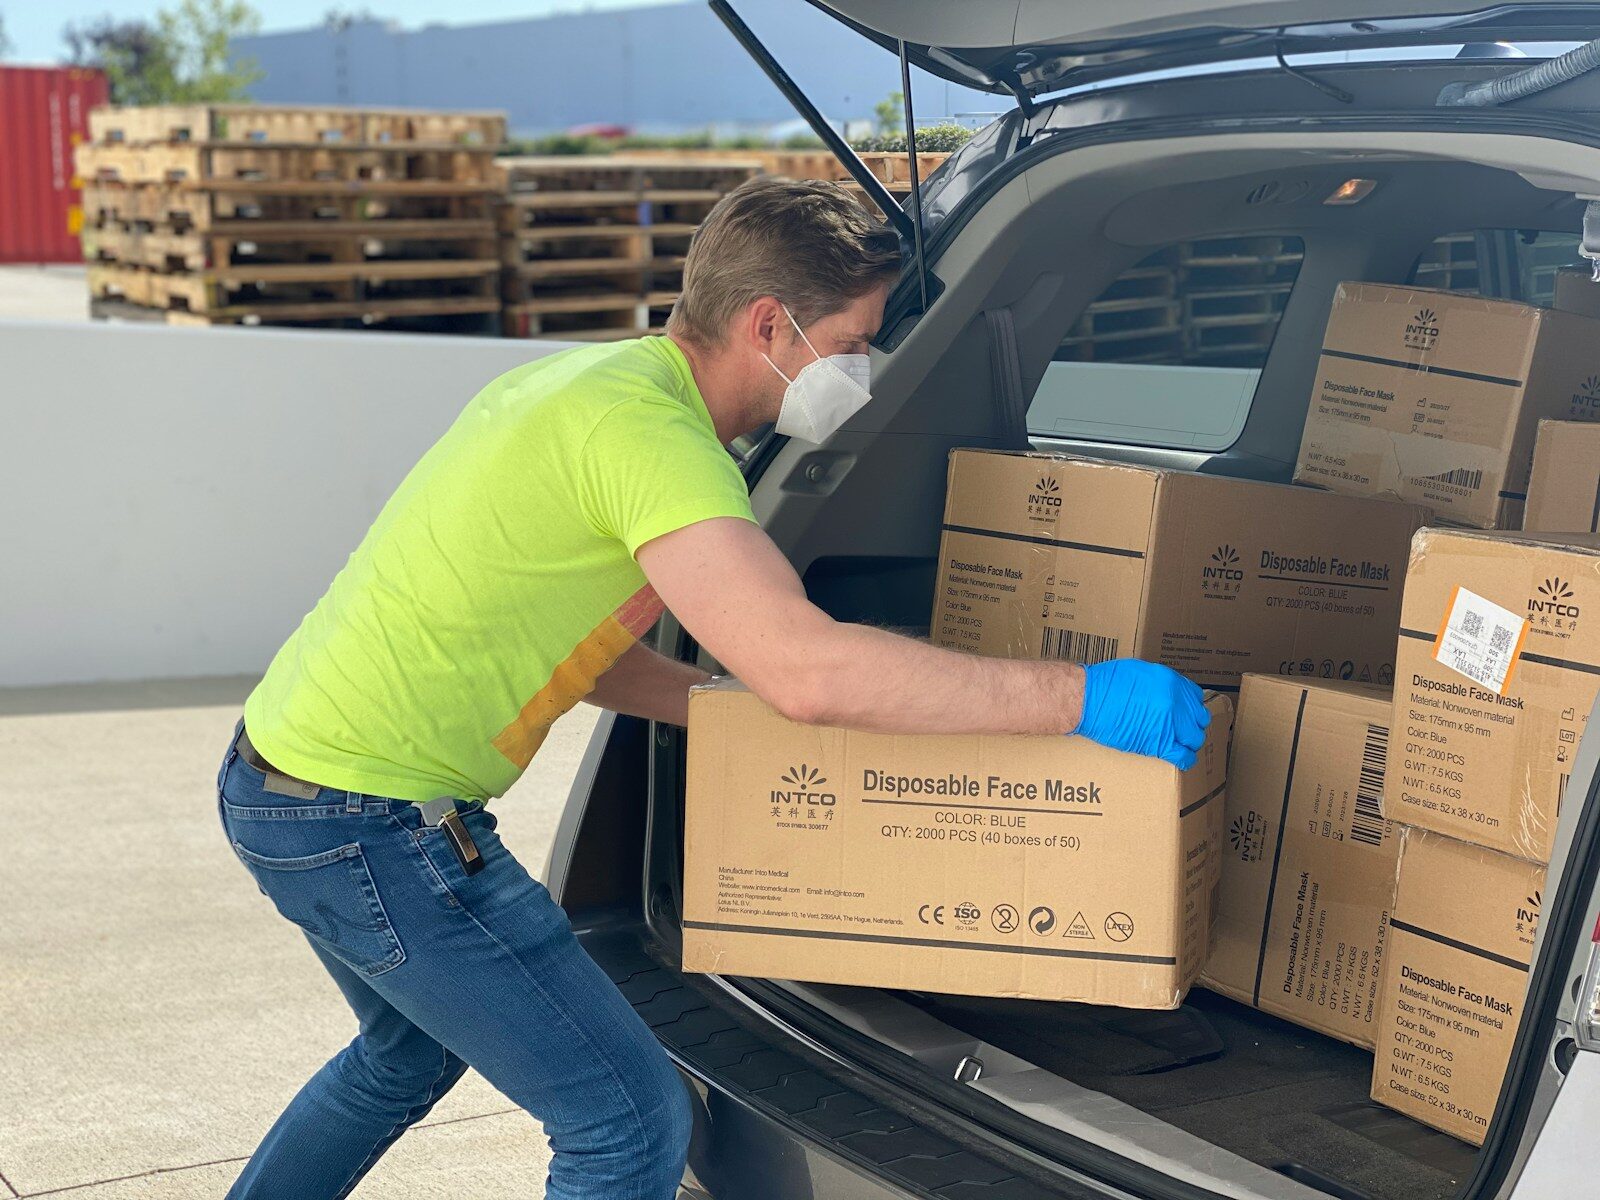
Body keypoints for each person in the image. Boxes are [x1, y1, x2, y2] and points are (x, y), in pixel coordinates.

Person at [218, 176, 1209, 1200]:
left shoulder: (588, 388)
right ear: (769, 324)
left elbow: (574, 643)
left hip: (283, 784)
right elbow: (810, 670)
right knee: (627, 1125)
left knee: (401, 1059)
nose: (864, 368)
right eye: (858, 339)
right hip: (376, 827)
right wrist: (1083, 699)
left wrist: (719, 709)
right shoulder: (661, 447)